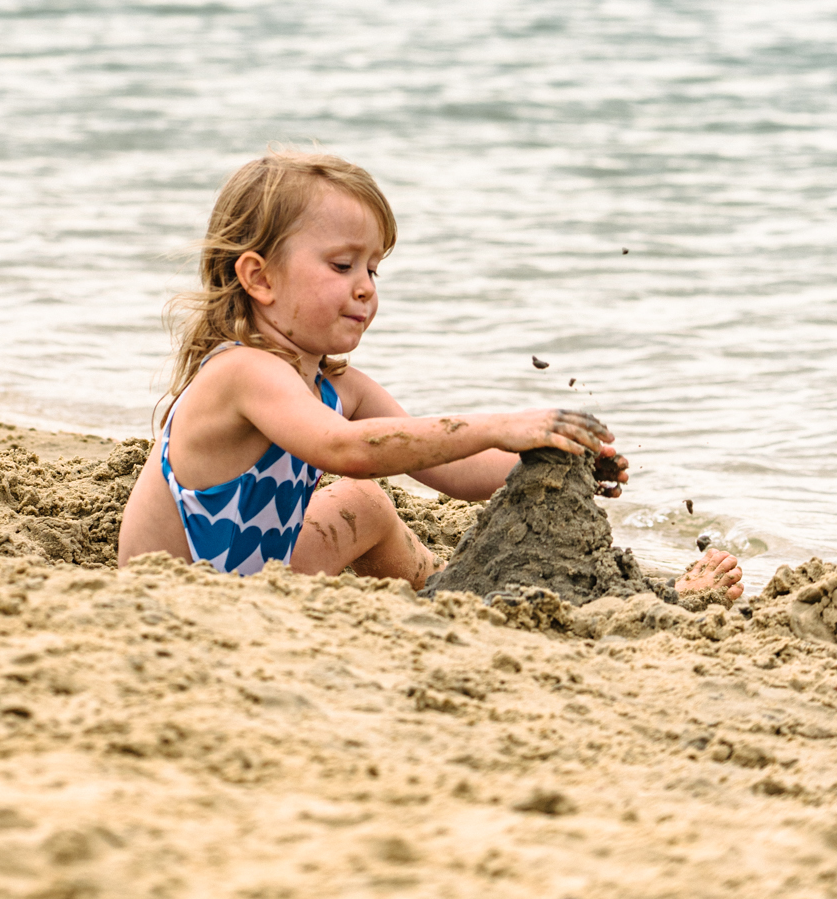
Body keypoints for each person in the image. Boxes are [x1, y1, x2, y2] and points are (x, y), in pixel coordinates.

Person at [118, 148, 743, 602]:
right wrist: (498, 422)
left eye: (374, 270)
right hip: (180, 597)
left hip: (257, 582)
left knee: (365, 507)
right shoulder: (243, 372)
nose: (364, 289)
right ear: (259, 278)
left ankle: (448, 594)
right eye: (341, 265)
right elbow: (347, 450)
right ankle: (471, 599)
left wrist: (550, 459)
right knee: (358, 485)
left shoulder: (342, 385)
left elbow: (451, 472)